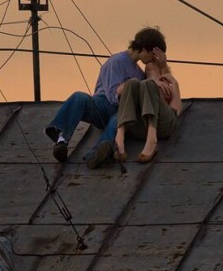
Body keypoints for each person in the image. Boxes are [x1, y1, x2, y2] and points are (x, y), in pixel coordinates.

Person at [44, 26, 167, 168]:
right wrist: (133, 86)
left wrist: (162, 67)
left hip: (123, 111)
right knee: (79, 97)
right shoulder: (117, 61)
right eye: (153, 55)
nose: (153, 60)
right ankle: (61, 139)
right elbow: (112, 96)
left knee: (120, 118)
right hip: (103, 104)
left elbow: (158, 90)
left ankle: (98, 152)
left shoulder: (139, 72)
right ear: (145, 48)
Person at [113, 50, 182, 163]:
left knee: (148, 85)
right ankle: (119, 137)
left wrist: (174, 84)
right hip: (140, 128)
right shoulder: (142, 83)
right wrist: (152, 81)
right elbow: (118, 92)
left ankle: (152, 140)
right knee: (132, 83)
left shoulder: (167, 83)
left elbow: (176, 111)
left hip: (164, 125)